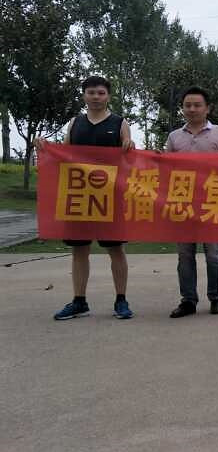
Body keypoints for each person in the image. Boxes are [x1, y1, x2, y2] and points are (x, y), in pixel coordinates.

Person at [36, 76, 136, 321]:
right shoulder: (75, 123)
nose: (96, 97)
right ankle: (79, 301)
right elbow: (64, 155)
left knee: (115, 249)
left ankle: (121, 300)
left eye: (101, 93)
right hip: (79, 196)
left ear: (108, 96)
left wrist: (129, 145)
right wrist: (45, 147)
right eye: (91, 92)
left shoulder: (119, 123)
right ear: (84, 95)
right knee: (79, 249)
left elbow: (128, 155)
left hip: (110, 197)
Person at [166, 86, 218, 318]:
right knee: (185, 256)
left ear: (207, 108)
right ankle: (188, 300)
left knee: (214, 255)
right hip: (183, 202)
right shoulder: (174, 137)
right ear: (182, 109)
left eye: (197, 105)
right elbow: (167, 169)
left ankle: (216, 298)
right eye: (188, 105)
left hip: (213, 202)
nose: (192, 109)